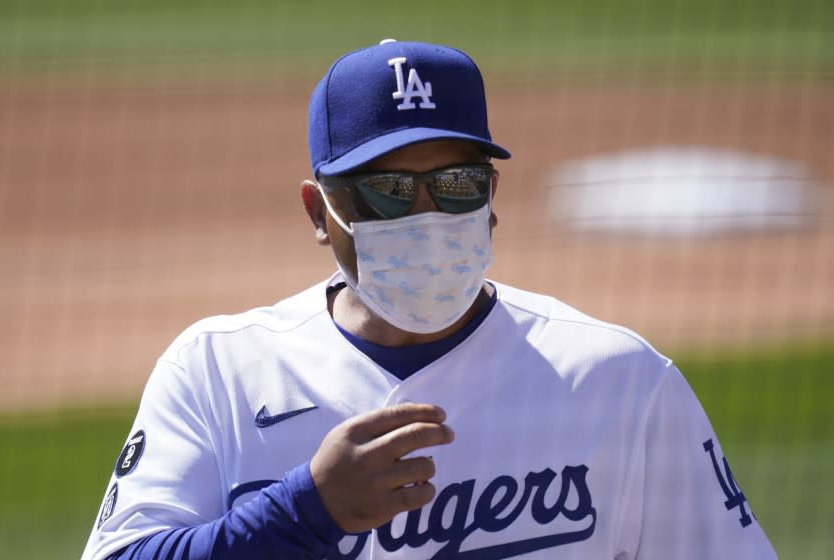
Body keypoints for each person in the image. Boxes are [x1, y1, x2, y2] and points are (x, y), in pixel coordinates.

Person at [82, 39, 776, 559]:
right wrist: (304, 511)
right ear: (318, 214)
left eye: (456, 185)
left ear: (492, 198)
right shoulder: (219, 371)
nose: (425, 217)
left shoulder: (618, 380)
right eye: (385, 191)